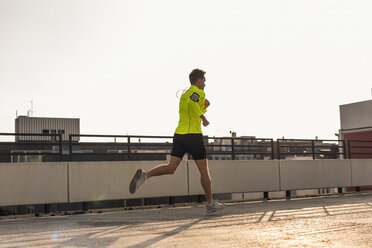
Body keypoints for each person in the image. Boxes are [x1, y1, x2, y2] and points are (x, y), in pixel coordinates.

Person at [129, 68, 225, 213]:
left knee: (171, 168)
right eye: (204, 81)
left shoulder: (185, 94)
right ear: (198, 80)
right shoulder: (199, 92)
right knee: (204, 171)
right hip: (193, 135)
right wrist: (204, 117)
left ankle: (145, 175)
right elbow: (193, 106)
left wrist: (204, 107)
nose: (205, 84)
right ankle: (210, 204)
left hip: (180, 135)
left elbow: (191, 108)